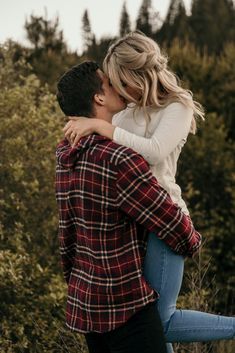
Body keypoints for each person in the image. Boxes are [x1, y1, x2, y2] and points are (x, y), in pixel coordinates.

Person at [63, 32, 235, 353]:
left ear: (136, 76)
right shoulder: (125, 112)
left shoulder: (177, 107)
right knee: (146, 324)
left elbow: (153, 153)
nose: (117, 90)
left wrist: (102, 127)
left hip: (164, 222)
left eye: (120, 81)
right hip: (131, 228)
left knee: (160, 322)